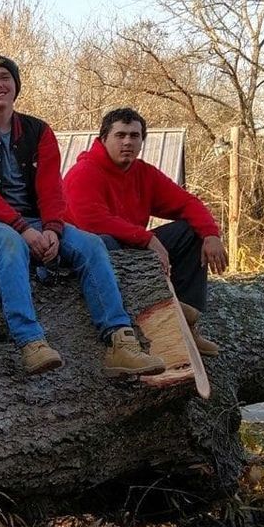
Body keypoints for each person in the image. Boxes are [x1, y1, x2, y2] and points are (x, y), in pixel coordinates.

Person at [0, 56, 164, 378]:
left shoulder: (39, 131)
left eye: (4, 77)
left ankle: (120, 342)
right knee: (9, 244)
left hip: (35, 221)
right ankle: (31, 342)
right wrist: (22, 229)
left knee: (90, 244)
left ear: (16, 87)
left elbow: (51, 188)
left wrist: (51, 228)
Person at [63, 106, 228, 356]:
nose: (127, 142)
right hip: (87, 254)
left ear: (142, 141)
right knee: (103, 242)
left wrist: (210, 234)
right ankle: (134, 324)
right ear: (103, 139)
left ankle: (188, 321)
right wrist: (147, 238)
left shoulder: (144, 173)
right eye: (120, 135)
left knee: (190, 232)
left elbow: (187, 203)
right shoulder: (84, 172)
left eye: (134, 136)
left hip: (132, 245)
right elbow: (91, 221)